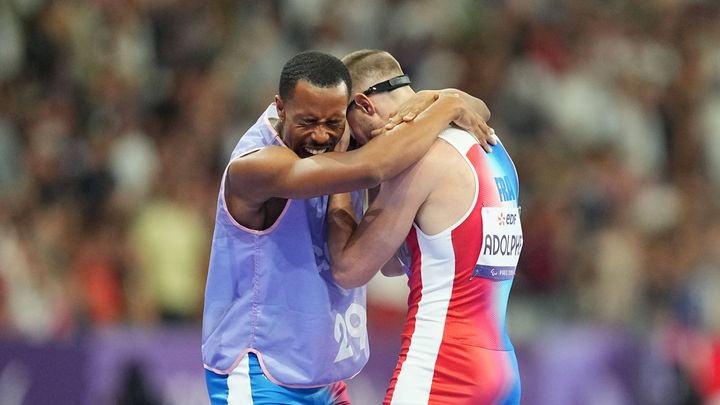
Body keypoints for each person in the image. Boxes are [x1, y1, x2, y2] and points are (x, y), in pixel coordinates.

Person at [201, 50, 495, 404]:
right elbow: (375, 166)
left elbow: (479, 113)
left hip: (327, 377)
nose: (321, 136)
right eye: (307, 121)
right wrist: (447, 105)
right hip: (262, 375)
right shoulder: (257, 167)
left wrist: (454, 98)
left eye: (333, 122)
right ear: (281, 108)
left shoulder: (345, 137)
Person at [328, 49, 523, 405]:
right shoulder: (488, 142)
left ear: (363, 105)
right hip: (500, 371)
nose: (360, 146)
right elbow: (391, 262)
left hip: (443, 368)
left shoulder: (418, 162)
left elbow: (350, 268)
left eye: (352, 134)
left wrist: (341, 168)